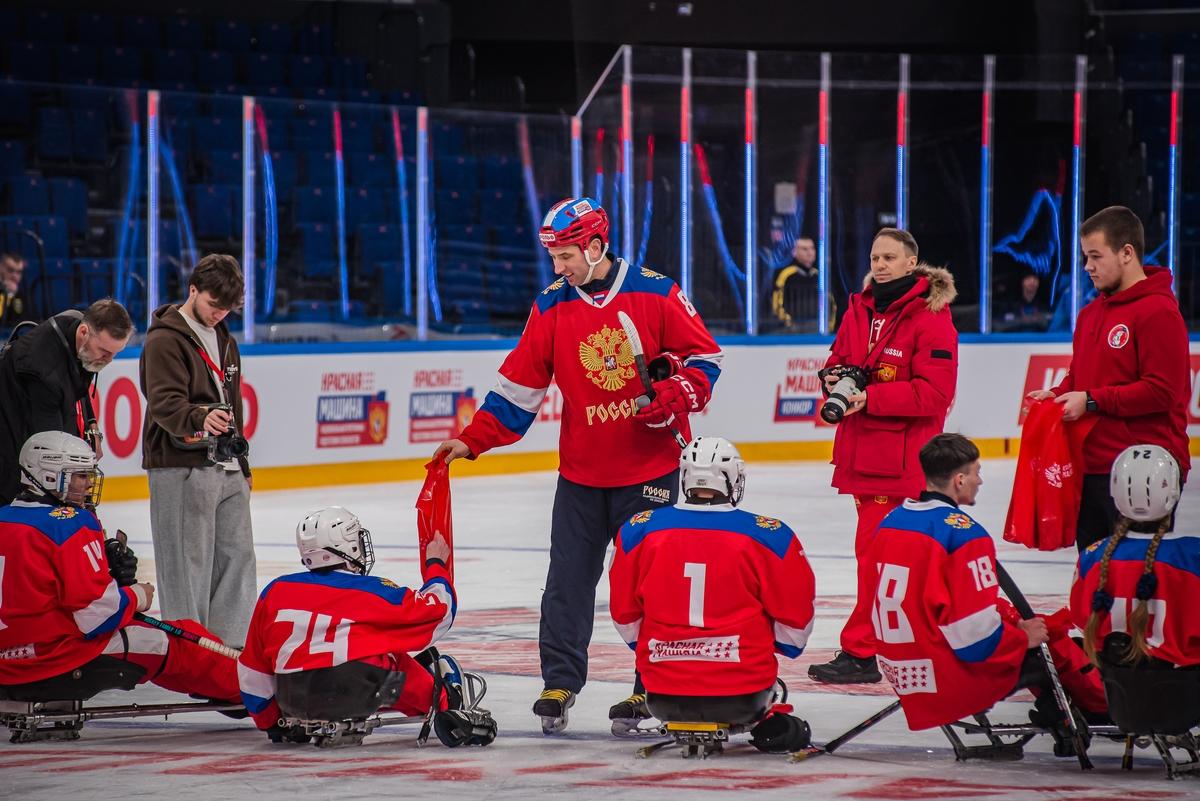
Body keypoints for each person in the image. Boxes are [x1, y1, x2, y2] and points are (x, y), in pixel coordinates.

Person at [432, 197, 723, 734]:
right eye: (555, 257)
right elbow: (519, 387)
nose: (558, 267)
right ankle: (560, 681)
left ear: (595, 246)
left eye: (566, 255)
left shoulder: (656, 291)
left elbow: (707, 358)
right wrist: (472, 440)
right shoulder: (550, 306)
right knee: (565, 583)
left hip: (650, 472)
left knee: (647, 587)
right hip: (582, 476)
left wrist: (678, 391)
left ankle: (648, 687)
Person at [866, 434, 1106, 737]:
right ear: (959, 480)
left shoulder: (891, 521)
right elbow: (974, 640)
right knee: (1050, 645)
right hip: (942, 675)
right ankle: (1081, 714)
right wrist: (1021, 638)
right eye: (977, 472)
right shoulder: (965, 534)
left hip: (899, 667)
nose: (980, 480)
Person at [808, 228, 958, 684]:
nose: (881, 264)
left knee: (879, 559)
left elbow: (936, 394)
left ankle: (863, 650)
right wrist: (832, 378)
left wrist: (870, 398)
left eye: (890, 257)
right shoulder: (860, 307)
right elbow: (839, 358)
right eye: (875, 256)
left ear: (912, 263)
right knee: (876, 556)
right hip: (864, 456)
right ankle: (891, 644)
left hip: (902, 462)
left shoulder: (932, 316)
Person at [0, 431, 240, 706]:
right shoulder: (70, 523)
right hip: (57, 658)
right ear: (49, 475)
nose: (89, 484)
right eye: (80, 475)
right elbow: (97, 616)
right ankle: (261, 695)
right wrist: (136, 595)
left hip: (7, 665)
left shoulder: (5, 518)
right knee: (182, 642)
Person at [608, 437, 816, 753]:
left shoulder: (638, 530)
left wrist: (659, 649)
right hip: (743, 696)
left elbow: (624, 615)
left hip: (663, 696)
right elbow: (795, 625)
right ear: (734, 478)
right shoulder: (770, 535)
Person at [237, 507, 497, 747]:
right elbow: (439, 611)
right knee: (401, 659)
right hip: (355, 692)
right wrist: (435, 566)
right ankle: (444, 702)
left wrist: (269, 721)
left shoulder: (276, 590)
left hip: (292, 699)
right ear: (347, 545)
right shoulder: (371, 590)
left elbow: (252, 668)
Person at [1027, 206, 1190, 553]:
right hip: (1092, 467)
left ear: (1127, 253)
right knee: (1093, 581)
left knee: (1135, 587)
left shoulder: (1159, 312)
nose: (1087, 267)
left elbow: (1163, 391)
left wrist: (1089, 400)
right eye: (1086, 257)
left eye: (1096, 256)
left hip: (1143, 473)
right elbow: (1081, 377)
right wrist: (1055, 395)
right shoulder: (1089, 315)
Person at [141, 254, 255, 648]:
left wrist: (242, 464)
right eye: (212, 305)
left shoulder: (225, 338)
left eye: (226, 309)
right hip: (181, 463)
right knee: (186, 565)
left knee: (237, 558)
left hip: (225, 465)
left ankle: (231, 647)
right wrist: (200, 417)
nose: (218, 315)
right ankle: (190, 649)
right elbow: (164, 405)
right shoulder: (164, 339)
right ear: (192, 291)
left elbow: (233, 405)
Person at [1072, 444, 1197, 669]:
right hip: (1185, 695)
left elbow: (1081, 619)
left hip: (1114, 696)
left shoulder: (1092, 557)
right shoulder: (1192, 556)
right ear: (1173, 491)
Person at [0, 298, 133, 506]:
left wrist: (92, 425)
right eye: (105, 352)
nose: (108, 361)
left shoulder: (77, 331)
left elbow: (81, 384)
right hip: (10, 448)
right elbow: (51, 450)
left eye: (114, 354)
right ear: (83, 333)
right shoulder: (43, 369)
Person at [768, 236, 818, 331]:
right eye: (804, 249)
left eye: (812, 248)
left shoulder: (818, 275)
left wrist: (829, 325)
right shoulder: (786, 274)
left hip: (816, 327)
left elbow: (830, 302)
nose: (810, 253)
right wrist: (790, 324)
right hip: (792, 330)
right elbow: (776, 304)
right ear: (794, 252)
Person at [0, 253, 31, 328]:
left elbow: (23, 324)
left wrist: (12, 296)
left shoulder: (22, 295)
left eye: (19, 272)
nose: (15, 276)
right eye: (10, 270)